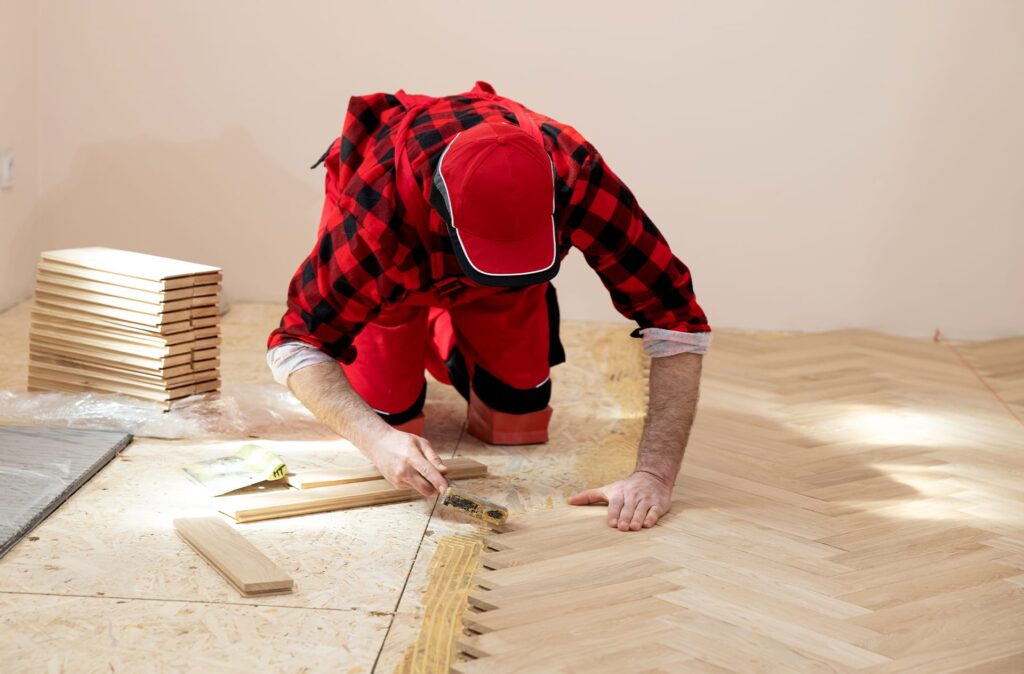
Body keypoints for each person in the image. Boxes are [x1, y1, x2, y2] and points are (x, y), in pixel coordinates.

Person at [267, 82, 710, 531]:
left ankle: (464, 327)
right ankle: (422, 329)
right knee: (393, 419)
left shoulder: (577, 173)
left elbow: (676, 318)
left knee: (517, 418)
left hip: (504, 290)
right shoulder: (376, 211)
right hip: (393, 289)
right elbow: (297, 342)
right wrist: (378, 439)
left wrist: (654, 475)